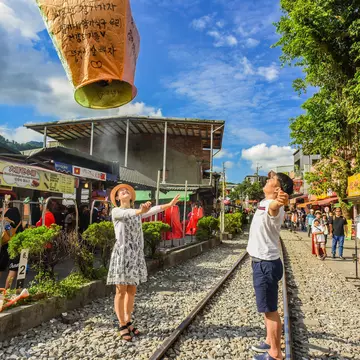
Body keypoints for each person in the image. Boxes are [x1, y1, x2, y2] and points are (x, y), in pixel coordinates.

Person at [107, 183, 180, 342]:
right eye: (121, 192)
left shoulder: (137, 213)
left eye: (127, 191)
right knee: (121, 290)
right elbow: (133, 213)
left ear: (132, 197)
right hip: (122, 253)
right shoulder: (117, 211)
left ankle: (128, 321)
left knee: (131, 290)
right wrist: (141, 210)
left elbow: (154, 210)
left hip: (135, 254)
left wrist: (169, 205)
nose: (124, 192)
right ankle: (121, 325)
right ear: (118, 198)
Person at [247, 172, 293, 360]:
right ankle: (269, 340)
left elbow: (274, 208)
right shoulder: (264, 202)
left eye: (271, 179)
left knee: (270, 310)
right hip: (265, 262)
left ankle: (275, 354)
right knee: (268, 308)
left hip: (265, 264)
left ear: (277, 189)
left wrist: (280, 201)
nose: (267, 180)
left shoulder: (272, 205)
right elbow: (271, 206)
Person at [0, 206, 23, 289]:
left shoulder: (3, 216)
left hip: (4, 243)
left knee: (1, 267)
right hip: (14, 243)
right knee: (13, 268)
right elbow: (11, 232)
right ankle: (7, 290)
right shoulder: (13, 212)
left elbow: (7, 228)